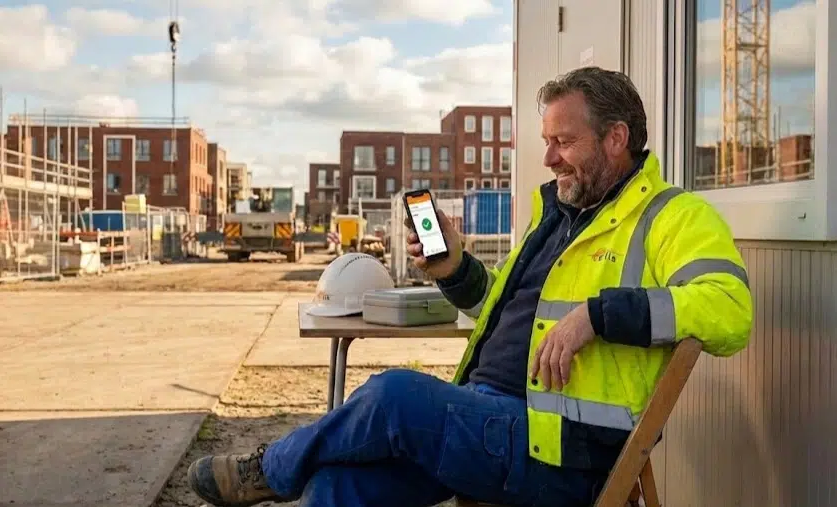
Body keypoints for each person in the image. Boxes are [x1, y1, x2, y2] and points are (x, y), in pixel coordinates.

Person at [186, 66, 753, 507]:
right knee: (340, 486)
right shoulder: (556, 214)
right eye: (547, 140)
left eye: (565, 141)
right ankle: (287, 474)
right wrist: (455, 268)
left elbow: (730, 311)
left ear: (616, 138)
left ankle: (268, 472)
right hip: (488, 417)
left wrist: (596, 315)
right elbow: (499, 312)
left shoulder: (672, 216)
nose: (550, 157)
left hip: (561, 448)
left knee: (394, 395)